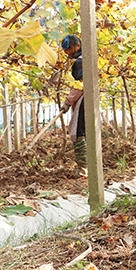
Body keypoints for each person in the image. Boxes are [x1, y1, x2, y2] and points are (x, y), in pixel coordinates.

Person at [60, 34, 86, 177]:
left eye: (69, 49)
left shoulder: (79, 63)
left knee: (77, 132)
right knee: (84, 132)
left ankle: (84, 168)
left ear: (78, 46)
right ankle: (87, 167)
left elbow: (79, 85)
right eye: (65, 50)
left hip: (82, 100)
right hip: (87, 100)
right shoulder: (84, 60)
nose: (68, 52)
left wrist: (67, 102)